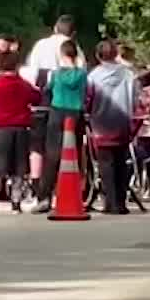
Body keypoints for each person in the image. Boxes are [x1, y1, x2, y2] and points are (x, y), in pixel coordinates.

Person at [0, 51, 39, 214]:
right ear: (17, 66)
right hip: (21, 129)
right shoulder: (23, 84)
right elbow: (37, 97)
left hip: (0, 129)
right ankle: (16, 202)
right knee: (18, 168)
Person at [34, 40, 89, 214]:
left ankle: (44, 197)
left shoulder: (55, 74)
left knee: (52, 156)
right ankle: (75, 195)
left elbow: (46, 90)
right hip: (75, 114)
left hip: (57, 113)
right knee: (75, 156)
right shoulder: (82, 74)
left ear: (61, 54)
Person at [86, 40, 138, 214]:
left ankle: (110, 202)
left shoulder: (93, 76)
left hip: (101, 123)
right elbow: (136, 98)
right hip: (122, 122)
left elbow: (88, 99)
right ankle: (121, 202)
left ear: (98, 55)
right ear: (116, 54)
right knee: (121, 162)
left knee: (106, 163)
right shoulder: (128, 75)